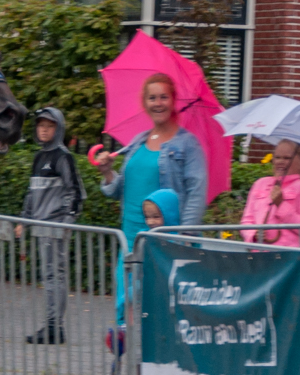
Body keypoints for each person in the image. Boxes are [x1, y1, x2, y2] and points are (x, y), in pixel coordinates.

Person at [92, 72, 208, 323]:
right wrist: (108, 172)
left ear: (173, 100)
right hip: (130, 237)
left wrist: (185, 236)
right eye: (152, 98)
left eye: (164, 97)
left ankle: (145, 347)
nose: (158, 103)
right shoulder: (138, 141)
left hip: (163, 239)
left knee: (156, 308)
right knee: (124, 304)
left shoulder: (188, 144)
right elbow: (119, 189)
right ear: (144, 103)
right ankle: (126, 345)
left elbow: (197, 192)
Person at [18, 107, 84, 345]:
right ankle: (53, 326)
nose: (44, 130)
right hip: (39, 225)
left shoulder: (62, 157)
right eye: (41, 125)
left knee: (54, 275)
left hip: (55, 225)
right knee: (49, 275)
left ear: (59, 129)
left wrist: (66, 221)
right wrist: (23, 220)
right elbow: (32, 192)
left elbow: (75, 192)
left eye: (50, 126)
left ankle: (54, 327)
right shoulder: (39, 157)